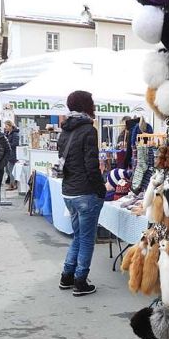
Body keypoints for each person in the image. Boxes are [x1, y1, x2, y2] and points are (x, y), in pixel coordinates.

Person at [58, 90, 105, 296]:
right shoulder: (88, 130)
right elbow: (91, 166)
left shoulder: (65, 130)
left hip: (69, 191)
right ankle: (80, 281)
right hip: (85, 192)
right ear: (86, 105)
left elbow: (65, 162)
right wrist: (101, 190)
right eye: (91, 102)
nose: (94, 105)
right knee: (86, 239)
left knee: (78, 236)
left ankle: (67, 275)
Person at [3, 120, 20, 191]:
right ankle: (12, 182)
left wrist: (7, 145)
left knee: (11, 170)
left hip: (12, 155)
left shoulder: (15, 134)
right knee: (7, 170)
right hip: (7, 155)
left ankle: (12, 185)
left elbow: (15, 144)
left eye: (6, 126)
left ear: (10, 126)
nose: (5, 127)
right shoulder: (7, 133)